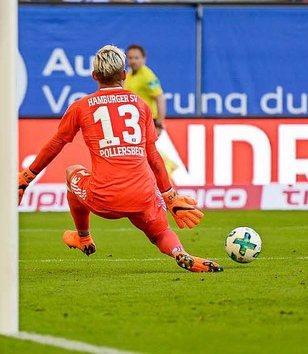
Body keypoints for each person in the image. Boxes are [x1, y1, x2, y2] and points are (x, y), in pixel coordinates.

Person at [17, 45, 223, 274]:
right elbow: (153, 156)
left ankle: (83, 237)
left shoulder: (80, 107)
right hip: (142, 195)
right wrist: (170, 197)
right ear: (124, 75)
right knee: (159, 233)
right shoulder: (141, 105)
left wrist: (27, 177)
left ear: (94, 76)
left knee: (72, 172)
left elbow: (56, 144)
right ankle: (179, 252)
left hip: (104, 198)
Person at [124, 44, 166, 136]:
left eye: (136, 58)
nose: (133, 61)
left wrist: (158, 124)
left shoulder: (148, 76)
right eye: (130, 58)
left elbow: (160, 99)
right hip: (134, 121)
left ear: (144, 59)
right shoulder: (129, 75)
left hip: (148, 121)